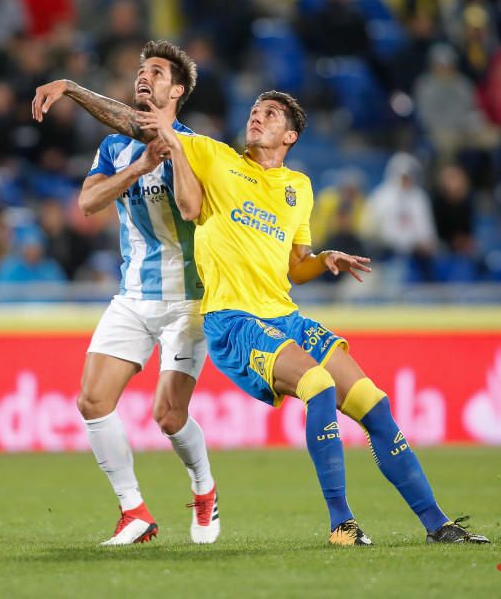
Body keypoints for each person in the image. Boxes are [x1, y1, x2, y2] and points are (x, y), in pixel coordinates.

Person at [32, 76, 491, 546]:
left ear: (290, 135)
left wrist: (323, 260)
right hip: (233, 319)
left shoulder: (299, 187)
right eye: (254, 109)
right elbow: (139, 123)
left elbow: (295, 267)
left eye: (270, 113)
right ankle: (342, 524)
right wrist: (71, 88)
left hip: (283, 314)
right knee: (318, 384)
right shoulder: (215, 158)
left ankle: (438, 524)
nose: (257, 115)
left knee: (375, 404)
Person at [33, 41, 219, 546]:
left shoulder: (198, 147)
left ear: (176, 89)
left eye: (156, 71)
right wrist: (138, 168)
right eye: (140, 70)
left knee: (168, 416)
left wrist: (170, 152)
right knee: (92, 400)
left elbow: (189, 209)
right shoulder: (115, 147)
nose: (144, 76)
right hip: (134, 295)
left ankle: (204, 490)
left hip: (189, 301)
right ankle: (134, 510)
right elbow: (88, 202)